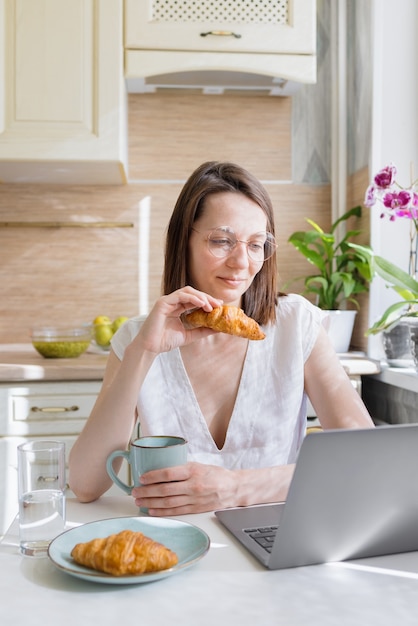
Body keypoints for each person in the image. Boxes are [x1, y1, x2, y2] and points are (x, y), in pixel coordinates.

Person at [69, 161, 374, 515]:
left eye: (256, 245)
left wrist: (237, 488)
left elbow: (363, 457)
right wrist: (144, 352)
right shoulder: (137, 339)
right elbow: (85, 485)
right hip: (174, 542)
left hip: (275, 536)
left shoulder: (296, 325)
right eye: (222, 241)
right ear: (184, 240)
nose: (241, 263)